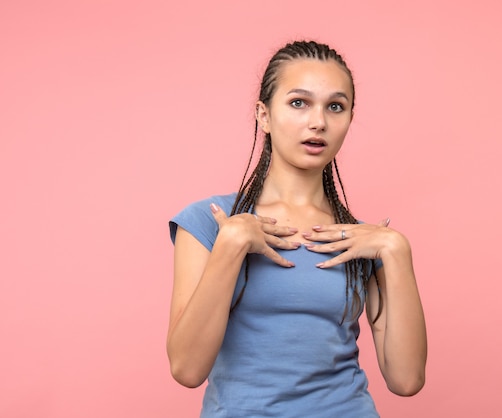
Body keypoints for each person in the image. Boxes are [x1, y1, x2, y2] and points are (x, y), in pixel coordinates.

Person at [167, 40, 427, 417]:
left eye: (335, 107)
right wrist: (232, 245)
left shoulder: (362, 240)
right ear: (264, 115)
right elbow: (186, 370)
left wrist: (396, 252)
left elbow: (406, 380)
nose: (318, 121)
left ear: (349, 120)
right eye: (298, 102)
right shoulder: (211, 221)